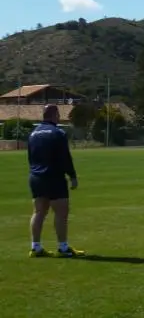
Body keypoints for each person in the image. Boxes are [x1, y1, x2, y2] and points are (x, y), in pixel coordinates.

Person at [27, 105, 84, 258]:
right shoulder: (58, 133)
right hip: (54, 177)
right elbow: (65, 157)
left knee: (39, 212)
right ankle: (63, 247)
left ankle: (35, 247)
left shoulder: (33, 133)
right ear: (55, 115)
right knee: (61, 212)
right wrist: (72, 176)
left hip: (36, 177)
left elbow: (30, 157)